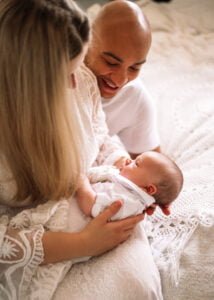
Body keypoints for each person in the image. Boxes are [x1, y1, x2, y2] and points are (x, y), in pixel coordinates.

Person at [0, 0, 150, 299]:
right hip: (33, 238)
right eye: (66, 73)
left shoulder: (81, 79)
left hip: (88, 209)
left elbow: (99, 136)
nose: (77, 81)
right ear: (29, 82)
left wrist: (128, 171)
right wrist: (82, 243)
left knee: (139, 285)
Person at [86, 0, 160, 159]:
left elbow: (156, 172)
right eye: (111, 63)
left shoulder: (134, 98)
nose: (120, 80)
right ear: (87, 41)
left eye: (134, 68)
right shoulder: (53, 75)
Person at [77, 151, 183, 220]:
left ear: (149, 188)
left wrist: (81, 179)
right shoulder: (123, 184)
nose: (128, 160)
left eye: (136, 163)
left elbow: (90, 205)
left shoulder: (128, 201)